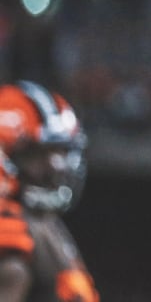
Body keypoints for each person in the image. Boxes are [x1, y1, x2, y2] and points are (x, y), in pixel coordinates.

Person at [0, 81, 98, 302]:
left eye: (62, 152)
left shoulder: (41, 221)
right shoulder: (11, 231)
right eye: (39, 154)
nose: (57, 166)